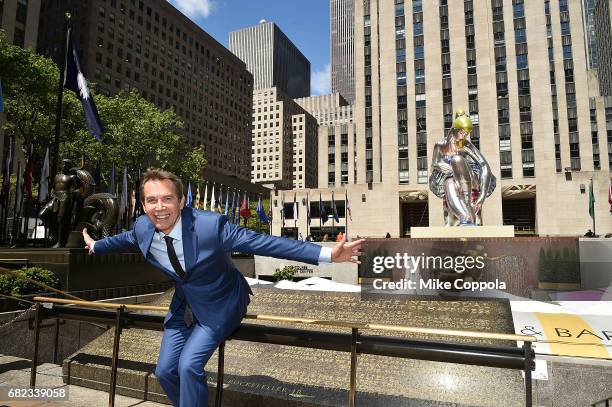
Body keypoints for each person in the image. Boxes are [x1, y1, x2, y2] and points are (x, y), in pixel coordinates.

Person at [82, 169, 364, 407]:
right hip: (184, 305)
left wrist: (327, 255)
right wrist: (96, 245)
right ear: (143, 205)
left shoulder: (210, 227)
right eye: (152, 200)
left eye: (167, 199)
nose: (160, 207)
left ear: (181, 201)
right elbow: (126, 239)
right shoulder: (143, 227)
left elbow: (264, 243)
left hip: (221, 303)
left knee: (189, 367)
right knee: (165, 371)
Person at [429, 110, 496, 226]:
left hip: (469, 177)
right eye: (462, 132)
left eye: (466, 133)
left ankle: (467, 202)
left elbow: (484, 166)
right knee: (449, 183)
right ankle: (465, 216)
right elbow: (433, 164)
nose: (464, 136)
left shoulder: (467, 145)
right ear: (455, 129)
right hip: (449, 177)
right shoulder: (440, 144)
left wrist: (482, 196)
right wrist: (439, 165)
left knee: (457, 160)